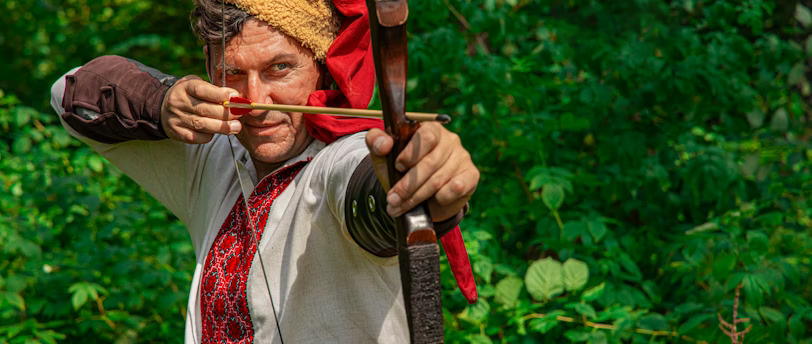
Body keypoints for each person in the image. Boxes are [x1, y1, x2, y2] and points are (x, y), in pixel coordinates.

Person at [50, 0, 479, 342]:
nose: (255, 99)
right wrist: (160, 103)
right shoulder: (212, 154)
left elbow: (370, 194)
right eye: (232, 73)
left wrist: (423, 182)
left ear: (321, 65)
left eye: (279, 68)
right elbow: (67, 93)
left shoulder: (341, 159)